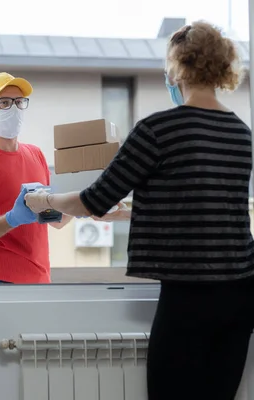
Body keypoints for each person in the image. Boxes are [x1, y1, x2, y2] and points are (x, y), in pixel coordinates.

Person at [25, 21, 253, 400]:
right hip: (241, 295)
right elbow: (200, 205)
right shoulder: (240, 133)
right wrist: (133, 210)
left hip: (188, 298)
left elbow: (92, 200)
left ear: (177, 68)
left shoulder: (157, 130)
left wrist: (44, 200)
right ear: (221, 67)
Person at [0, 72, 72, 284]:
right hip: (0, 281)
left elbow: (54, 219)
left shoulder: (35, 154)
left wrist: (84, 201)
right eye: (5, 102)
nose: (14, 109)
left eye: (19, 102)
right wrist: (12, 219)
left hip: (40, 279)